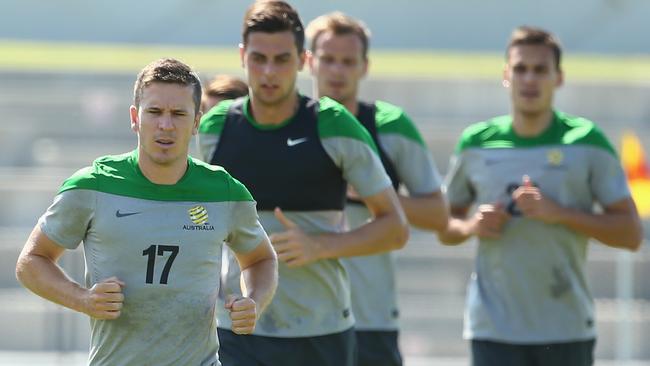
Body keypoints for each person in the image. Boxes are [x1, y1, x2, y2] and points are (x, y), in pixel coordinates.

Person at [15, 58, 278, 366]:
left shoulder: (225, 191)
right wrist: (83, 299)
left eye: (178, 114)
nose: (165, 125)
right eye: (154, 112)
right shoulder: (93, 185)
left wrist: (255, 302)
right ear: (135, 117)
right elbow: (31, 262)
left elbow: (261, 259)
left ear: (196, 122)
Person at [198, 1, 409, 365]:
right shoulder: (215, 127)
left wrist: (319, 246)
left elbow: (395, 227)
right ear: (242, 56)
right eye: (258, 58)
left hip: (321, 333)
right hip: (237, 330)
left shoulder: (334, 125)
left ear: (302, 60)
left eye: (281, 59)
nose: (268, 71)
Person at [439, 26, 643, 366]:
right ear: (507, 75)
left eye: (540, 70)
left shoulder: (587, 142)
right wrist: (473, 225)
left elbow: (631, 234)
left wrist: (560, 213)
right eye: (520, 68)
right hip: (493, 330)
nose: (529, 79)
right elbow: (445, 226)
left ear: (558, 78)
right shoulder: (476, 142)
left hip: (566, 328)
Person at [305, 12, 449, 366]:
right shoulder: (288, 126)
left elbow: (439, 215)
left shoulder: (391, 126)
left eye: (348, 61)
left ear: (364, 67)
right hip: (302, 319)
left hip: (371, 321)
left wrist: (374, 194)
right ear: (309, 61)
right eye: (328, 59)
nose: (337, 71)